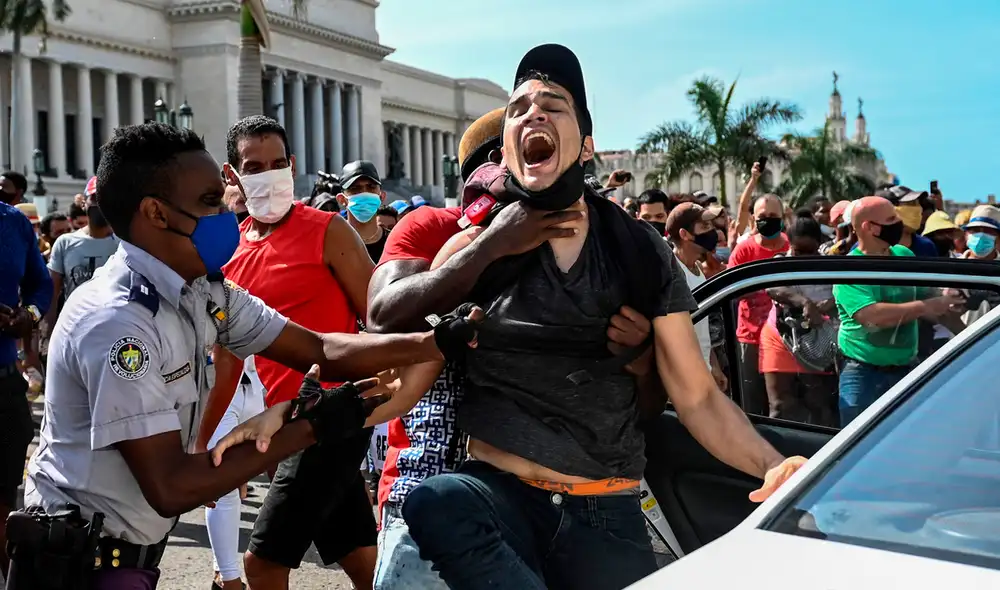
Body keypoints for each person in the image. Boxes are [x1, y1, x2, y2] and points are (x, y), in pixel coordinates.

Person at [398, 43, 805, 590]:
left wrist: (772, 466)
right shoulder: (472, 251)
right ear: (508, 151)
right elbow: (405, 378)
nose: (533, 114)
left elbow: (698, 397)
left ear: (586, 145)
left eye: (553, 105)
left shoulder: (638, 252)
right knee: (436, 502)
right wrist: (298, 413)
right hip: (498, 500)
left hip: (603, 510)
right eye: (519, 108)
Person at [19, 122, 471, 590]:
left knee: (348, 544)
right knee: (269, 562)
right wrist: (309, 427)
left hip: (123, 556)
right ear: (155, 213)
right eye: (210, 203)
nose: (223, 216)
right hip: (80, 563)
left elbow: (319, 348)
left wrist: (436, 342)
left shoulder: (204, 289)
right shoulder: (118, 324)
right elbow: (170, 487)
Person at [368, 105, 662, 590]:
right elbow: (387, 323)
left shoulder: (593, 250)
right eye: (503, 166)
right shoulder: (437, 231)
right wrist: (490, 246)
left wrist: (641, 355)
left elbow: (639, 398)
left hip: (540, 496)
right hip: (429, 481)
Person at [217, 115, 379, 590]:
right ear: (233, 176)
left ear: (292, 165)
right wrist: (201, 440)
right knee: (359, 554)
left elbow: (380, 317)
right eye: (253, 166)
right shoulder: (231, 252)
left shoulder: (328, 230)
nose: (267, 174)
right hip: (282, 420)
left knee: (262, 565)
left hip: (331, 416)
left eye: (275, 163)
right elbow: (228, 357)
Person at [832, 196, 963, 425]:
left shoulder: (904, 256)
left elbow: (928, 299)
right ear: (869, 227)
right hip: (863, 374)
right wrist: (926, 306)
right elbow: (872, 317)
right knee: (856, 445)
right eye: (891, 219)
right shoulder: (849, 269)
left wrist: (956, 318)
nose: (899, 223)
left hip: (906, 369)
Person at [0, 193, 52, 577]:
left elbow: (40, 284)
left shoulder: (13, 223)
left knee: (5, 496)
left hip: (4, 386)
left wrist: (27, 316)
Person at [760, 217, 838, 426]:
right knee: (779, 405)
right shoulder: (779, 261)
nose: (804, 257)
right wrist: (804, 302)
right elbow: (772, 288)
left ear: (818, 244)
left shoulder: (830, 265)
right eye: (798, 251)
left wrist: (827, 304)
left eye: (809, 251)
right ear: (789, 244)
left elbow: (842, 294)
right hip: (779, 335)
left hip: (817, 339)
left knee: (819, 402)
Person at [728, 193, 789, 415]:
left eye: (773, 215)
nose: (768, 220)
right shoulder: (744, 250)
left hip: (786, 340)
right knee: (751, 406)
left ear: (783, 218)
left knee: (781, 405)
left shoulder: (792, 248)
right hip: (750, 338)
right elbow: (731, 288)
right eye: (763, 216)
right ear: (753, 219)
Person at [664, 202, 727, 391]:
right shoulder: (671, 273)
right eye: (705, 227)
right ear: (685, 234)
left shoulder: (697, 268)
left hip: (702, 373)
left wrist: (713, 365)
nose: (713, 232)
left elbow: (702, 327)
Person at [44, 180, 120, 331]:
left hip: (115, 326)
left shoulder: (125, 243)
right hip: (74, 327)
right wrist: (50, 331)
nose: (100, 203)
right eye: (95, 198)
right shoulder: (65, 243)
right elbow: (52, 293)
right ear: (83, 203)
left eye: (106, 198)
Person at [338, 160, 389, 263]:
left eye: (371, 187)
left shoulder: (394, 242)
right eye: (355, 189)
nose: (364, 193)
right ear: (342, 199)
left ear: (382, 196)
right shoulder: (332, 243)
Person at [878, 186, 938, 256]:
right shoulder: (875, 244)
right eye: (911, 203)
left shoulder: (926, 246)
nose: (919, 209)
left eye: (918, 203)